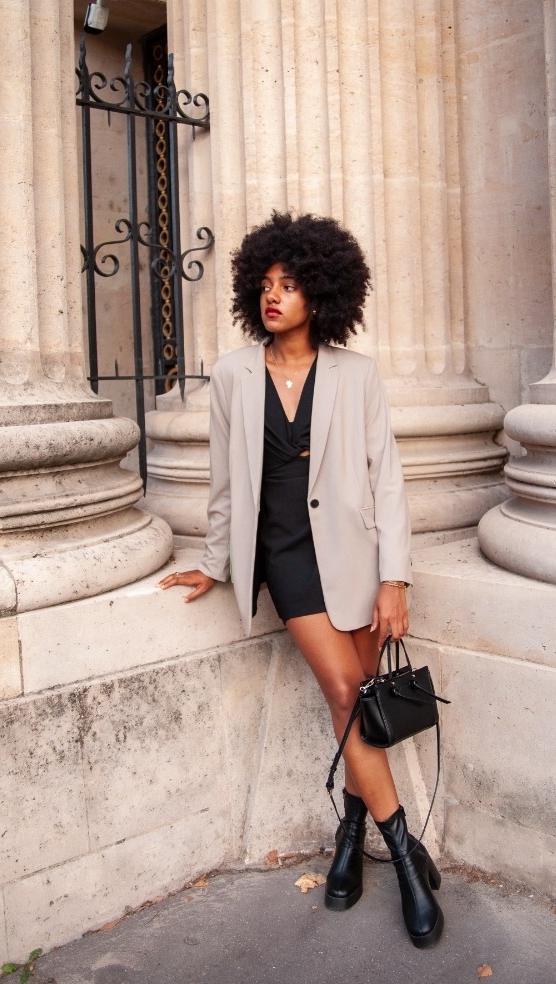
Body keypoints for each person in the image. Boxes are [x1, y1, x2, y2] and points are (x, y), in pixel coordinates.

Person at [158, 211, 443, 947]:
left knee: (359, 712)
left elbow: (387, 480)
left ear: (321, 292)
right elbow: (225, 483)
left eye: (288, 284)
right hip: (286, 558)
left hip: (357, 557)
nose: (273, 296)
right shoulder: (233, 374)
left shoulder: (357, 374)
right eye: (265, 284)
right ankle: (407, 860)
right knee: (346, 693)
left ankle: (350, 839)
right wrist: (215, 563)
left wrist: (395, 579)